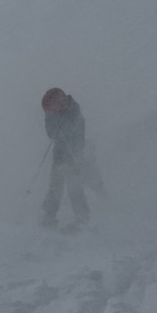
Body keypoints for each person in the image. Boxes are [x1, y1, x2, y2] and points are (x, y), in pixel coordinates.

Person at [40, 87, 94, 228]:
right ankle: (49, 214)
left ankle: (82, 217)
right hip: (59, 153)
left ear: (60, 102)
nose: (50, 112)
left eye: (53, 108)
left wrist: (64, 127)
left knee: (74, 185)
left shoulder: (73, 109)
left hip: (73, 153)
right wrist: (56, 127)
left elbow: (78, 131)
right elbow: (50, 133)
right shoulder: (50, 111)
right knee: (55, 184)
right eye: (49, 110)